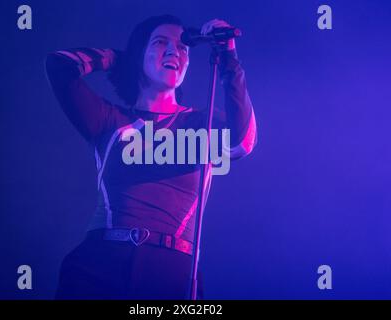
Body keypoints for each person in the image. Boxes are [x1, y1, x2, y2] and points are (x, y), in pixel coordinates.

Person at [45, 14, 257, 299]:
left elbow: (243, 142)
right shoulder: (110, 119)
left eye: (183, 47)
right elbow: (60, 65)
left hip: (170, 272)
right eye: (160, 43)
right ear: (139, 55)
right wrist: (118, 59)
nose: (174, 51)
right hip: (98, 265)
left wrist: (228, 56)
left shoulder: (201, 123)